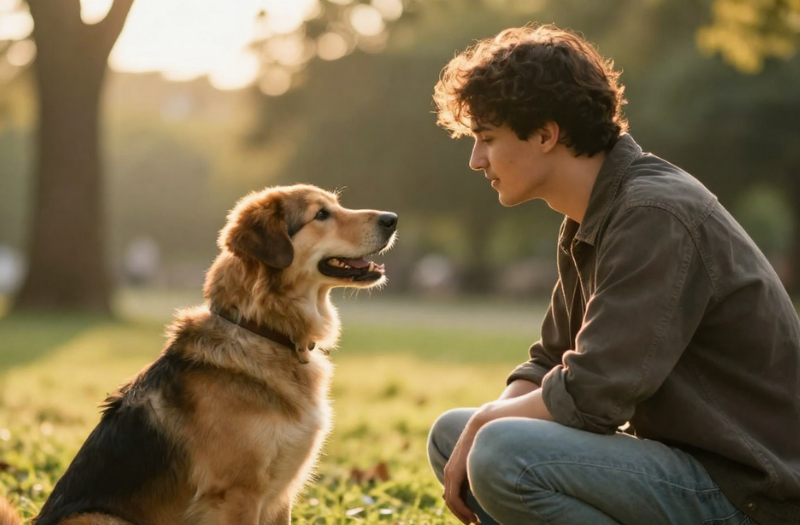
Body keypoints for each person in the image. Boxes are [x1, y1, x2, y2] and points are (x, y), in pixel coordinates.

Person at [427, 24, 800, 525]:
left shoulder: (654, 213)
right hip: (683, 469)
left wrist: (488, 426)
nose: (476, 161)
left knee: (498, 448)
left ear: (545, 134)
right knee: (455, 434)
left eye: (487, 139)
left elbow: (594, 394)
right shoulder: (593, 216)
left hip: (748, 493)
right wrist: (481, 424)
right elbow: (550, 361)